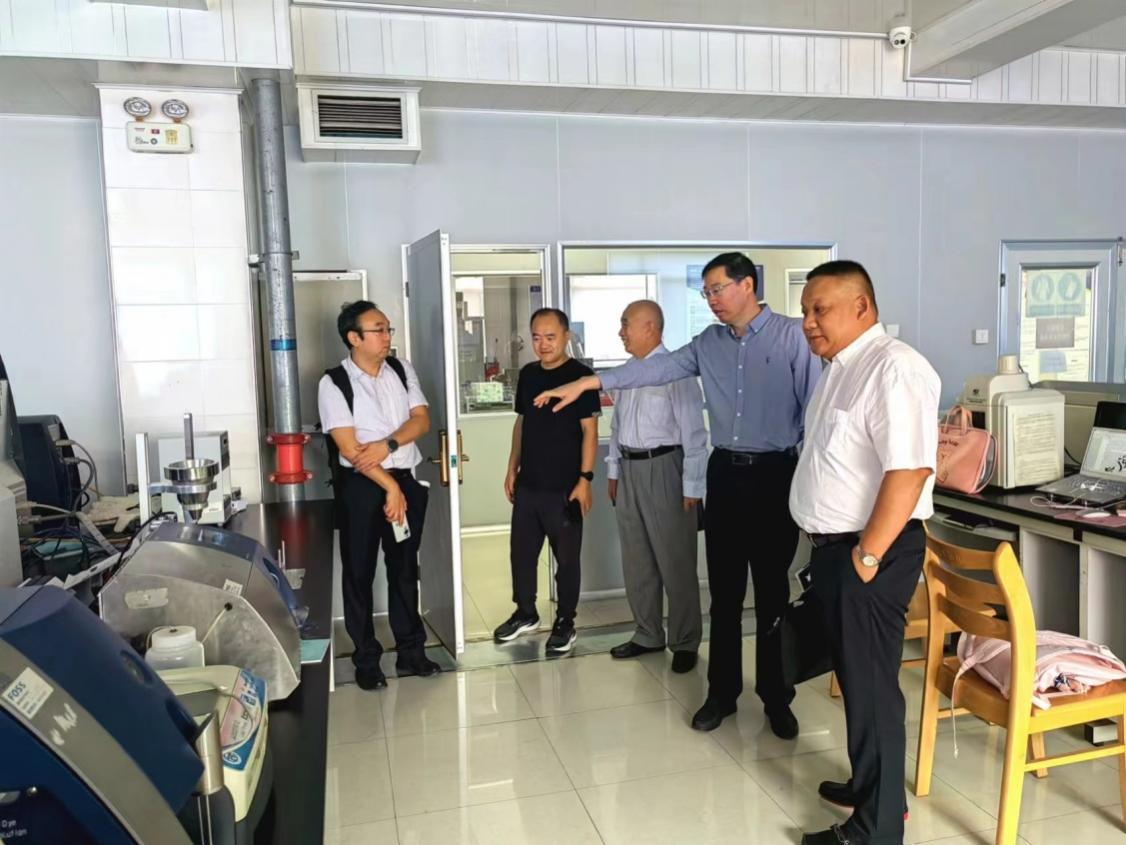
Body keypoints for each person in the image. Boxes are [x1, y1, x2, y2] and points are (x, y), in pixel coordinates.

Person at [533, 253, 821, 737]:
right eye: (705, 292)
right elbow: (655, 370)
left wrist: (812, 488)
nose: (711, 300)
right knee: (725, 595)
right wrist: (588, 381)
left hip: (776, 474)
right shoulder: (708, 343)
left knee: (772, 593)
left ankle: (777, 697)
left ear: (747, 285)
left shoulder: (792, 336)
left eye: (717, 289)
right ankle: (721, 693)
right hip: (725, 474)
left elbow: (815, 413)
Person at [790, 261, 940, 845]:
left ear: (861, 306)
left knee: (873, 688)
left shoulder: (894, 368)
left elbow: (909, 471)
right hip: (840, 551)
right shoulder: (839, 370)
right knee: (857, 679)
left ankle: (876, 831)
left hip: (872, 553)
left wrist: (867, 558)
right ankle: (871, 786)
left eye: (819, 309)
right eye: (805, 311)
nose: (808, 322)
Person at [318, 300, 441, 690]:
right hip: (361, 486)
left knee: (404, 570)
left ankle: (411, 653)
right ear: (354, 338)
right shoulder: (334, 383)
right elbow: (349, 447)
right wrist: (389, 488)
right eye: (379, 330)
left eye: (388, 329)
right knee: (359, 573)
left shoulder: (401, 370)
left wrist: (388, 446)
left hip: (403, 477)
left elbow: (421, 420)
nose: (387, 336)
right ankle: (367, 660)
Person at [606, 300, 707, 673]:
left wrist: (693, 485)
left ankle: (685, 641)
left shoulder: (677, 372)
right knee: (637, 560)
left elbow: (694, 433)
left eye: (626, 324)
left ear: (650, 327)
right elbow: (617, 426)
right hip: (630, 469)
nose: (621, 332)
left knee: (675, 560)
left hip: (666, 468)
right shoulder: (628, 372)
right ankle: (647, 633)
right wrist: (614, 471)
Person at [493, 308, 600, 656]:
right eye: (537, 337)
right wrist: (512, 467)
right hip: (530, 484)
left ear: (566, 336)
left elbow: (590, 431)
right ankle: (525, 612)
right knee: (521, 554)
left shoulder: (581, 377)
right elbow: (522, 422)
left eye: (551, 337)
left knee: (566, 559)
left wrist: (585, 479)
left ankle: (565, 621)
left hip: (565, 486)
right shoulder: (528, 374)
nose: (543, 344)